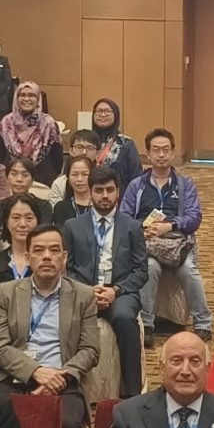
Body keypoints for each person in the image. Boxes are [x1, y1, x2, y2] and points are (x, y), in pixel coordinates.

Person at [0, 225, 99, 428]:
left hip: (63, 380)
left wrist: (59, 377)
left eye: (54, 250)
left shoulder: (83, 295)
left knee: (67, 426)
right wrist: (35, 372)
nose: (47, 256)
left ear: (64, 258)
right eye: (39, 250)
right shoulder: (6, 293)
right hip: (12, 378)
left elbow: (90, 349)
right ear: (27, 257)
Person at [62, 169, 147, 397]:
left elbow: (141, 271)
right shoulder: (72, 226)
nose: (105, 196)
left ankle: (132, 393)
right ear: (90, 193)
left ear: (118, 192)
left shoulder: (132, 227)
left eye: (110, 190)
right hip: (82, 291)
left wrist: (115, 291)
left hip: (121, 292)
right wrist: (88, 291)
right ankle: (67, 387)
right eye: (99, 190)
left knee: (125, 318)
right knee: (65, 319)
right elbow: (67, 269)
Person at [124, 129, 214, 341]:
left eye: (166, 150)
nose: (161, 154)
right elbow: (124, 217)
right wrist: (142, 229)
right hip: (147, 244)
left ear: (173, 153)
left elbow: (194, 218)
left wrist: (171, 225)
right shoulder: (137, 186)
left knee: (189, 271)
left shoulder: (184, 184)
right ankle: (146, 325)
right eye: (156, 150)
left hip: (177, 244)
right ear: (148, 153)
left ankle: (203, 322)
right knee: (149, 268)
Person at [0, 81, 65, 183]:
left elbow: (57, 158)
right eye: (22, 95)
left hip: (42, 180)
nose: (26, 99)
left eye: (31, 95)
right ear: (16, 98)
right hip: (12, 181)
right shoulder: (5, 123)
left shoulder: (49, 123)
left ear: (38, 98)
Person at [88, 99, 142, 190]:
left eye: (107, 111)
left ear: (116, 115)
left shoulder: (125, 143)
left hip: (120, 195)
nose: (103, 114)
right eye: (99, 111)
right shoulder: (86, 140)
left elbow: (136, 175)